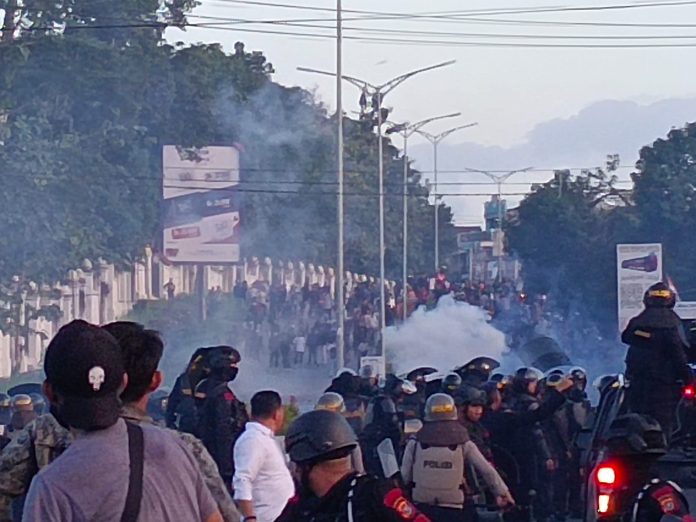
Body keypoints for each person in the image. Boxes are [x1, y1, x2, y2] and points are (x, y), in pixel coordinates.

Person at [0, 322, 241, 522]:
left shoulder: (43, 437)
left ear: (49, 392)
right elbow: (223, 515)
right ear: (154, 381)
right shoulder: (182, 448)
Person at [277, 409, 430, 522]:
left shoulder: (375, 497)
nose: (294, 472)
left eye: (296, 465)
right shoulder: (301, 506)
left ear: (306, 466)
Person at [401, 393, 514, 522]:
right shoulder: (463, 442)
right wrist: (503, 493)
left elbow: (405, 475)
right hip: (455, 508)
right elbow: (486, 470)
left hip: (422, 508)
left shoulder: (415, 442)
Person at [623, 282, 693, 438]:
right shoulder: (672, 323)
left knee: (637, 420)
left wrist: (648, 337)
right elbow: (679, 356)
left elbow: (627, 337)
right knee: (663, 425)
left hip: (637, 383)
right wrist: (689, 380)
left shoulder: (638, 321)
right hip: (664, 386)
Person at [233, 391, 294, 522]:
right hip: (265, 517)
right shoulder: (253, 439)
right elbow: (242, 479)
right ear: (277, 414)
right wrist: (249, 517)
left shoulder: (265, 438)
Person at [195, 346, 249, 486]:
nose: (235, 369)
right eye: (233, 366)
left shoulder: (203, 386)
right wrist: (227, 470)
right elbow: (223, 431)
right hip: (220, 463)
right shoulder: (221, 395)